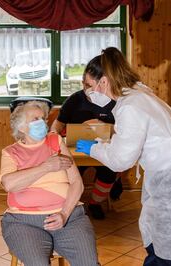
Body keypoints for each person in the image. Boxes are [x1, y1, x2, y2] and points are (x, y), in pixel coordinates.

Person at [75, 47, 171, 265]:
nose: (88, 92)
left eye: (89, 86)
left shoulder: (129, 106)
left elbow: (121, 160)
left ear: (104, 81)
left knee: (169, 246)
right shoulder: (138, 95)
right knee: (158, 235)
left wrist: (94, 148)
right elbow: (137, 138)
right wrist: (105, 143)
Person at [0, 99, 98, 266]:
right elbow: (9, 184)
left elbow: (77, 183)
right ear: (22, 127)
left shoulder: (55, 141)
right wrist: (46, 167)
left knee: (88, 262)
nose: (42, 123)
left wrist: (65, 214)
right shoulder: (11, 152)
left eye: (43, 119)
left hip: (68, 217)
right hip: (23, 221)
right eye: (35, 119)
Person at [51, 55, 123, 220]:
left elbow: (125, 132)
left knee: (109, 172)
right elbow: (58, 123)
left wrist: (101, 126)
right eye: (84, 84)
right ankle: (72, 205)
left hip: (105, 149)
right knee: (69, 172)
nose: (85, 88)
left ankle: (95, 204)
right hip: (76, 149)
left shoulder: (117, 102)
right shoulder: (75, 99)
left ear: (103, 83)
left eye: (89, 85)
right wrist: (53, 135)